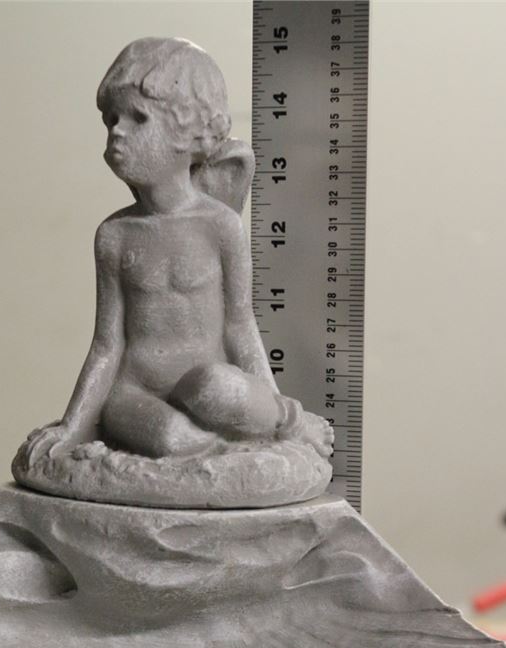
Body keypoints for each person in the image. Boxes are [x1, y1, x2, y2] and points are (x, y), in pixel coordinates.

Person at [25, 37, 328, 465]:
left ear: (189, 131)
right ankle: (224, 454)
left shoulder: (220, 226)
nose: (117, 131)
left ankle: (289, 423)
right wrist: (72, 426)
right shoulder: (114, 235)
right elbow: (107, 344)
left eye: (138, 118)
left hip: (206, 381)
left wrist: (276, 410)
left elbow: (240, 326)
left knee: (218, 390)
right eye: (111, 119)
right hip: (135, 391)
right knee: (169, 436)